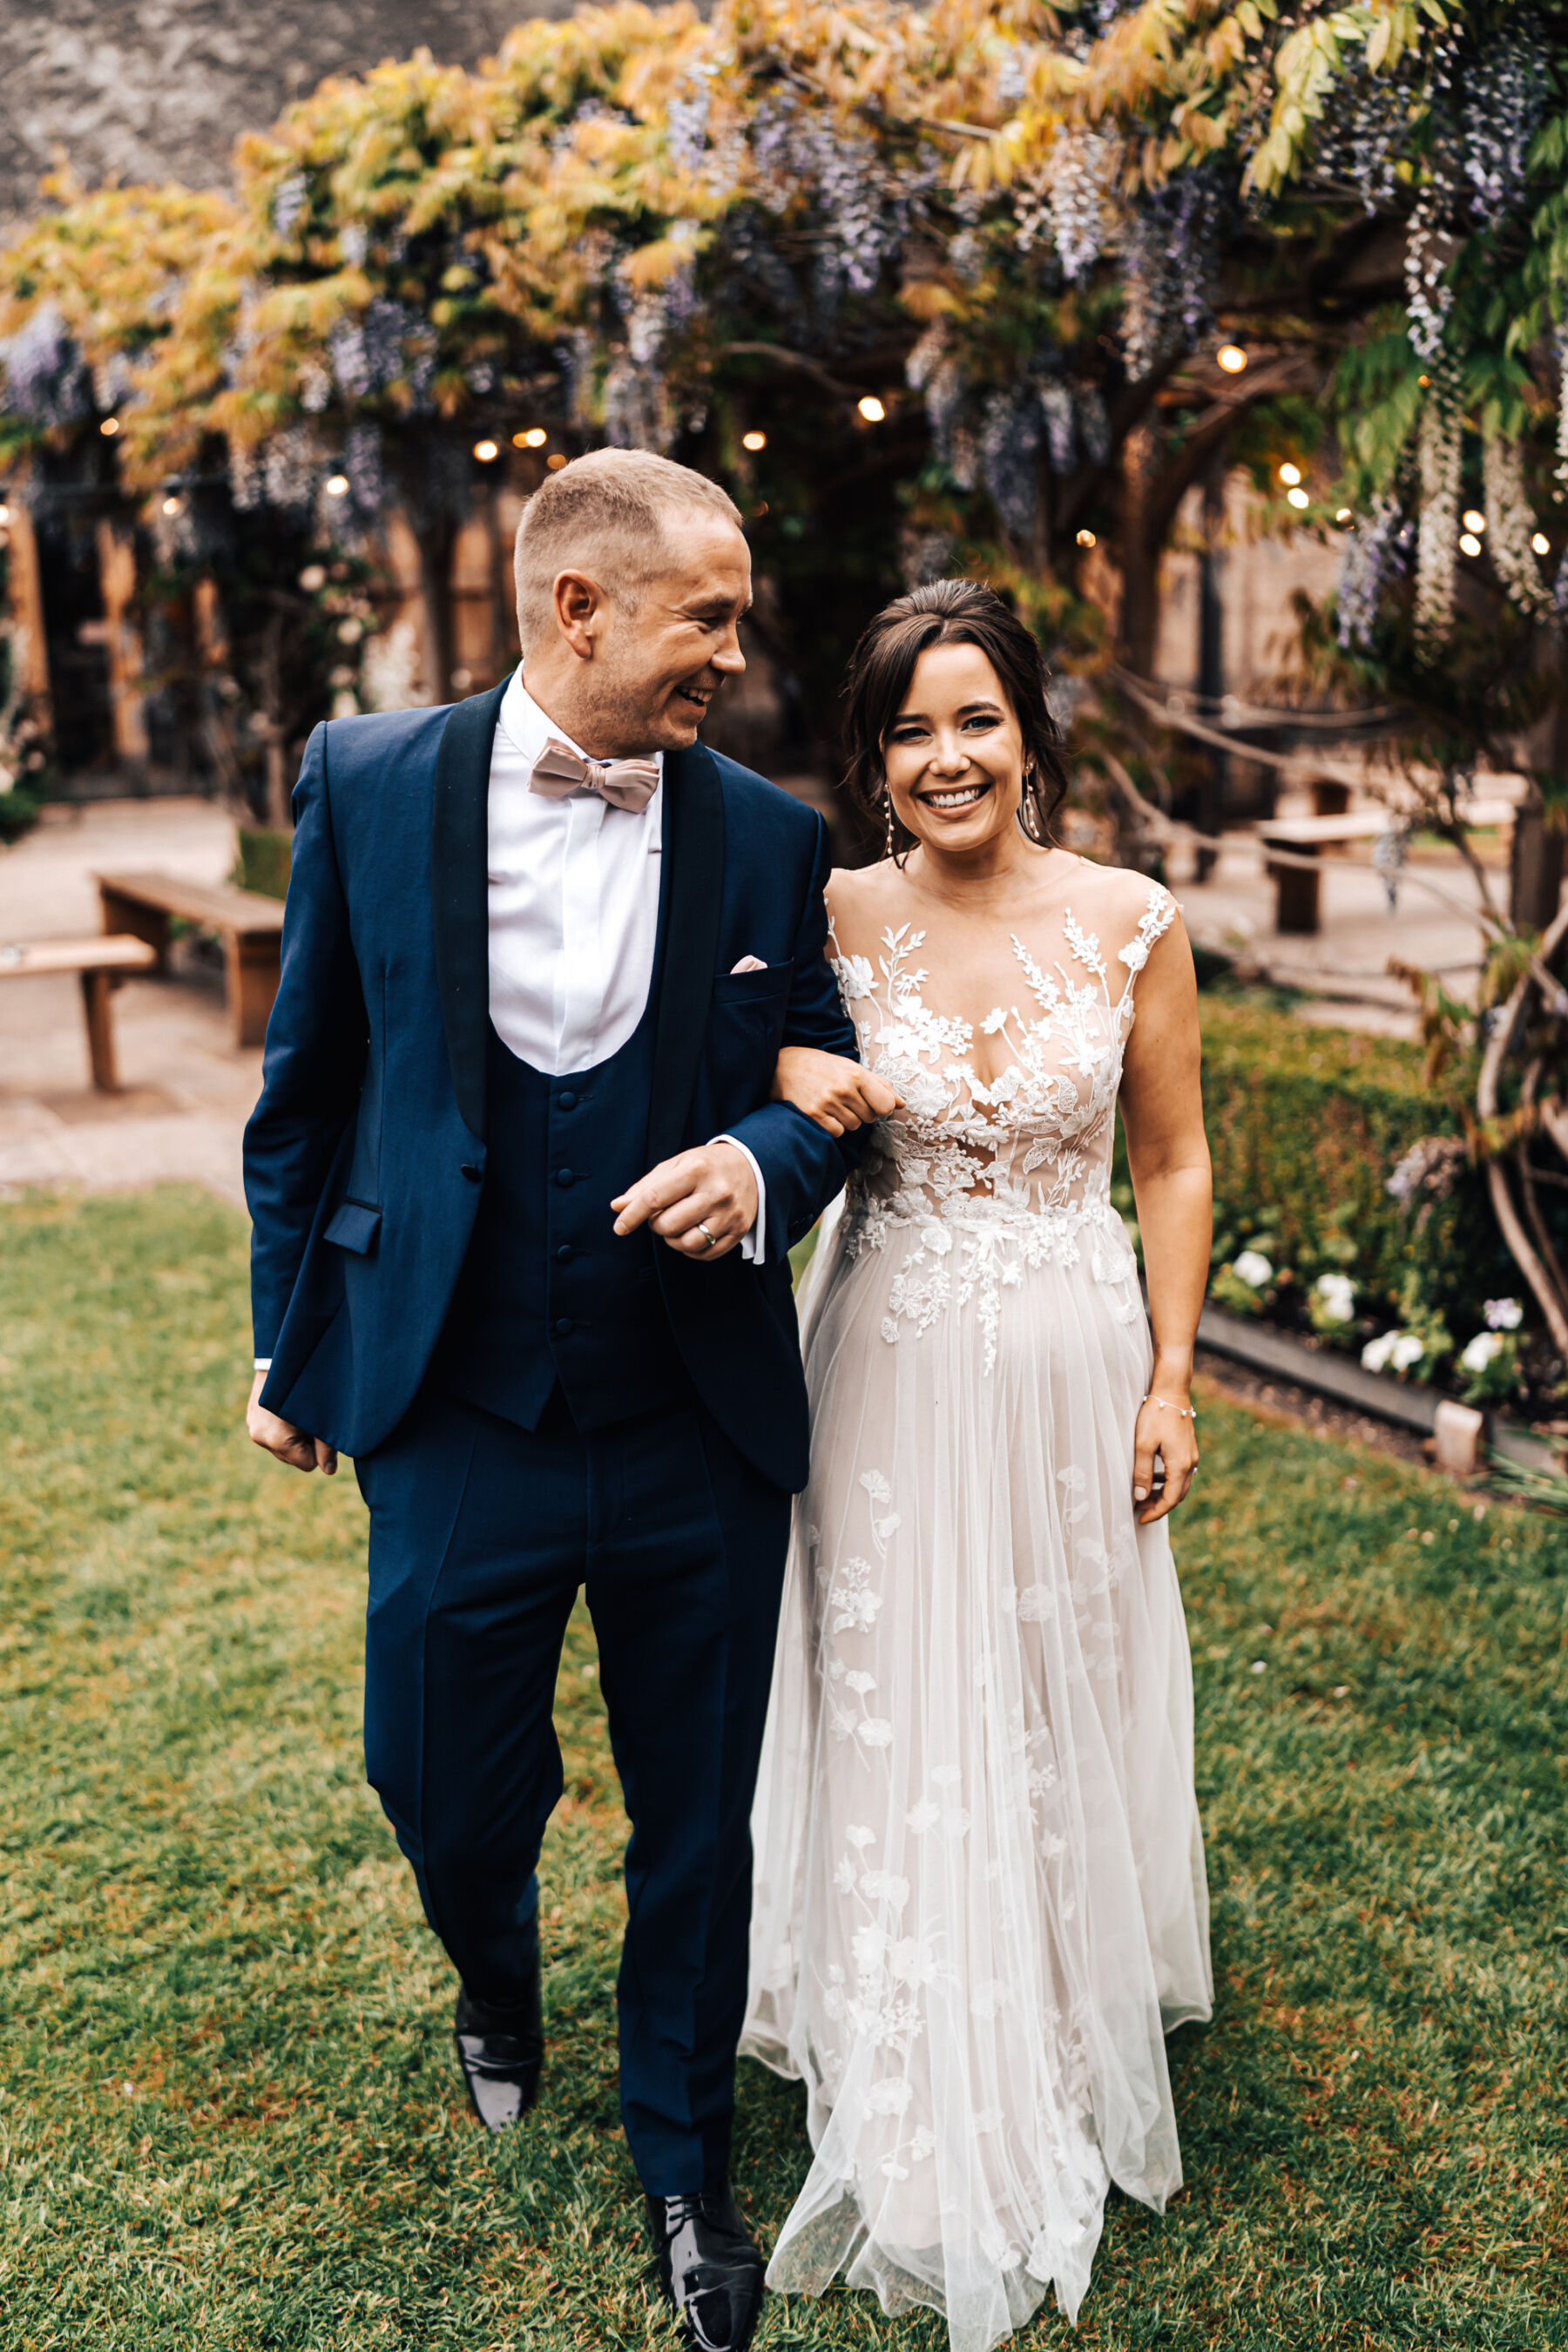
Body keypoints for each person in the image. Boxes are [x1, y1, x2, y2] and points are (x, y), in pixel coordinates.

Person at [242, 449, 885, 2352]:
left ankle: (686, 2165)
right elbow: (307, 1090)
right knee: (433, 1774)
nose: (735, 656)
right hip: (449, 1395)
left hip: (695, 1414)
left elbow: (826, 1072)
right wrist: (289, 1340)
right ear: (576, 608)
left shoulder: (769, 834)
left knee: (698, 1813)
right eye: (710, 616)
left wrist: (762, 1164)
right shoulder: (365, 781)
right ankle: (493, 1969)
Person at [744, 579, 1214, 2352]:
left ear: (1030, 731)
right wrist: (795, 1077)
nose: (946, 758)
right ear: (870, 758)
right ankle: (909, 2037)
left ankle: (1065, 2009)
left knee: (1053, 1675)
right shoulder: (825, 913)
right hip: (890, 1357)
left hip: (1078, 1360)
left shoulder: (1128, 916)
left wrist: (1173, 1383)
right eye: (909, 730)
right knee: (901, 1688)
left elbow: (1168, 1163)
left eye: (975, 720)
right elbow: (761, 1097)